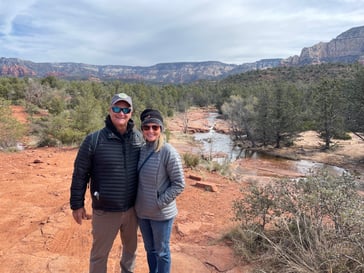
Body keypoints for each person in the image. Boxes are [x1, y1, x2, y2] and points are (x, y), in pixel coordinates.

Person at [70, 93, 143, 273]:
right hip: (105, 210)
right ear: (110, 110)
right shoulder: (93, 140)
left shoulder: (138, 139)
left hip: (133, 210)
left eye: (125, 109)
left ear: (131, 112)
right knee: (99, 255)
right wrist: (76, 205)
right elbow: (80, 174)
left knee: (130, 252)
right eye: (117, 108)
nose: (121, 113)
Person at [135, 109, 185, 273]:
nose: (150, 131)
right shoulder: (141, 150)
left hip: (161, 214)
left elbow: (179, 183)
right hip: (142, 212)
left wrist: (159, 202)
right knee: (150, 250)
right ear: (142, 129)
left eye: (155, 127)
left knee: (162, 252)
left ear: (160, 129)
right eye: (146, 127)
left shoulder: (168, 151)